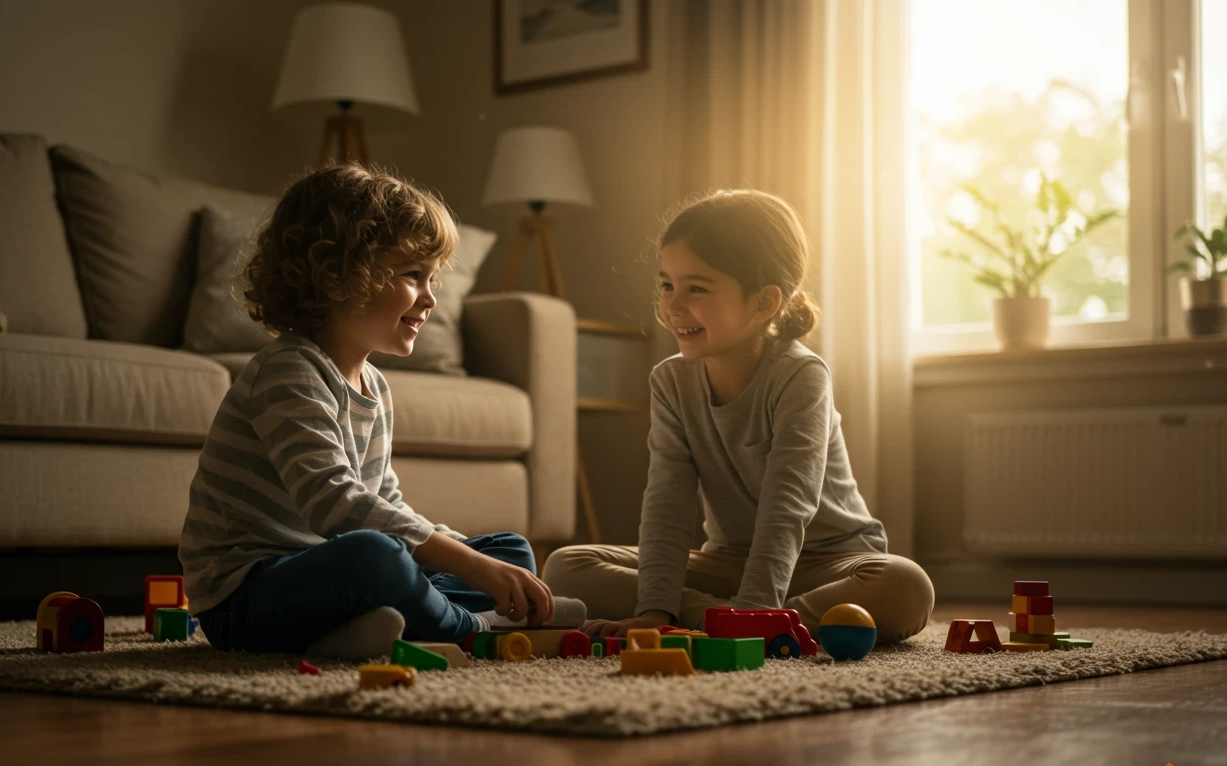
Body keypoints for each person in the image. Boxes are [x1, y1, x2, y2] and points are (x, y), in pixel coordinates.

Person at [179, 164, 584, 659]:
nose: (431, 298)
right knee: (377, 558)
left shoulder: (373, 384)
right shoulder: (288, 371)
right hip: (245, 602)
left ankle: (365, 632)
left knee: (509, 551)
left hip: (329, 582)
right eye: (414, 275)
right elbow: (338, 506)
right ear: (337, 277)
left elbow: (384, 500)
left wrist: (478, 561)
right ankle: (472, 629)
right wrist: (470, 569)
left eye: (432, 278)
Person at [544, 189, 933, 643]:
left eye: (698, 288)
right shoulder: (671, 382)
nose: (672, 305)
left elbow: (788, 507)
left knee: (905, 586)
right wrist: (654, 608)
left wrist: (755, 607)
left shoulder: (801, 376)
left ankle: (752, 620)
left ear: (764, 303)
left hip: (827, 563)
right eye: (667, 284)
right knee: (566, 567)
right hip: (727, 562)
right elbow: (668, 501)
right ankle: (741, 622)